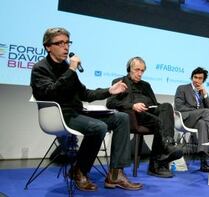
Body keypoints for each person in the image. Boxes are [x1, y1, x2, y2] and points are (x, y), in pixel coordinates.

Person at [30, 27, 142, 192]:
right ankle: (79, 171)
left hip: (78, 113)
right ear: (48, 46)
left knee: (122, 118)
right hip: (60, 116)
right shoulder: (41, 69)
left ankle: (115, 174)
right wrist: (71, 70)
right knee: (99, 127)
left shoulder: (67, 69)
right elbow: (51, 92)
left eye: (67, 43)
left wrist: (109, 91)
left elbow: (85, 94)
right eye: (60, 43)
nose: (66, 47)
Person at [106, 56, 183, 178]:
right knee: (159, 122)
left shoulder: (146, 85)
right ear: (129, 69)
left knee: (167, 107)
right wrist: (132, 106)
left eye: (142, 71)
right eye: (137, 70)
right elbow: (110, 103)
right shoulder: (120, 82)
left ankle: (167, 144)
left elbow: (155, 104)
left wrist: (168, 113)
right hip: (133, 117)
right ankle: (157, 163)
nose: (140, 73)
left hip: (149, 114)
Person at [174, 67, 209, 172]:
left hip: (197, 120)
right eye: (195, 77)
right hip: (185, 119)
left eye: (200, 78)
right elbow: (178, 106)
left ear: (203, 81)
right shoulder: (182, 88)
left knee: (202, 123)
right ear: (192, 77)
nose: (197, 80)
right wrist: (195, 111)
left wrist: (205, 94)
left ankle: (203, 161)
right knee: (204, 112)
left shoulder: (201, 92)